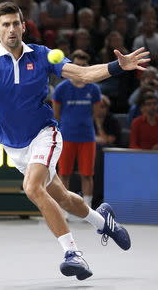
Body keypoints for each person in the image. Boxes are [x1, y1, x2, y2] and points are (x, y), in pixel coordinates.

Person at [0, 2, 149, 280]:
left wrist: (119, 66)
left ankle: (73, 253)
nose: (11, 29)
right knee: (64, 198)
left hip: (45, 134)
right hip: (14, 147)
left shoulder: (43, 55)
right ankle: (103, 221)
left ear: (23, 26)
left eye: (15, 23)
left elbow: (83, 74)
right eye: (5, 25)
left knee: (31, 188)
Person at [52, 49, 101, 209]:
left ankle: (86, 208)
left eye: (83, 65)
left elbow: (96, 114)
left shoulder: (93, 89)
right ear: (72, 66)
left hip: (87, 137)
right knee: (64, 174)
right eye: (77, 65)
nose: (80, 67)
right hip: (66, 137)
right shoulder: (61, 89)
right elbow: (56, 114)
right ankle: (63, 208)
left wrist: (99, 130)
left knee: (87, 175)